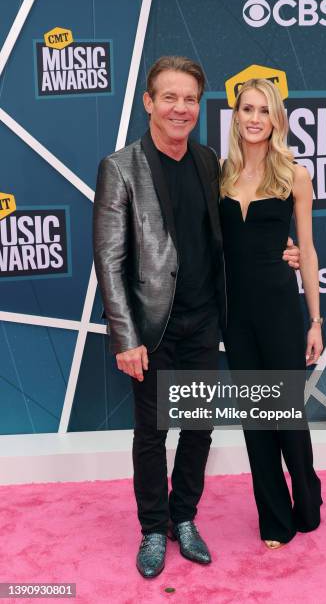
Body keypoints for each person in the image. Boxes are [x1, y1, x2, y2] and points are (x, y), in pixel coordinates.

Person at [93, 57, 300, 578]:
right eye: (169, 97)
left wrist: (284, 248)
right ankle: (151, 529)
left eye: (190, 99)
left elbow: (240, 227)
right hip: (152, 328)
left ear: (198, 106)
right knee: (152, 432)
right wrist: (126, 337)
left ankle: (183, 518)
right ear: (149, 102)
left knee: (199, 427)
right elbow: (110, 260)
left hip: (205, 321)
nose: (180, 108)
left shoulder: (210, 162)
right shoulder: (121, 168)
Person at [220, 78, 323, 549]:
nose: (255, 118)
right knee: (254, 418)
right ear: (236, 116)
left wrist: (315, 321)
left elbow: (307, 248)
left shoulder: (293, 175)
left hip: (281, 310)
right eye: (247, 109)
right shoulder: (220, 174)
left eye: (264, 110)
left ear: (277, 118)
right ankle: (273, 517)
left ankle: (306, 496)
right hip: (235, 315)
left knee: (285, 414)